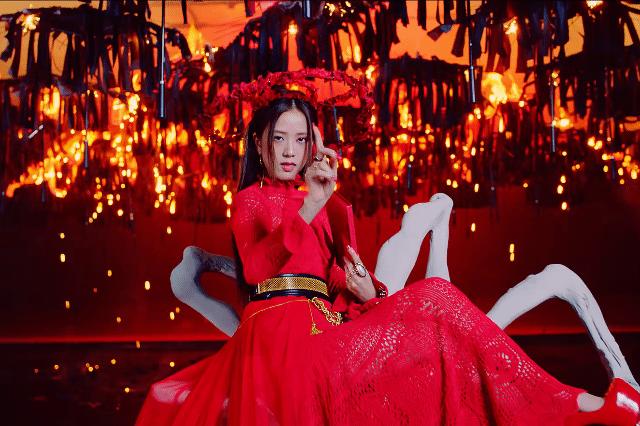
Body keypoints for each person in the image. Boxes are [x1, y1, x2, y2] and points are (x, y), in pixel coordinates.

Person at [136, 92, 640, 425]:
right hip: (279, 338)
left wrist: (365, 288)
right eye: (279, 138)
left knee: (440, 304)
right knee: (436, 311)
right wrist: (310, 206)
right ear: (259, 143)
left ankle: (581, 403)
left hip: (329, 327)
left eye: (301, 139)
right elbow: (258, 269)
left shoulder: (326, 204)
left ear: (313, 145)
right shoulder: (251, 199)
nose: (290, 150)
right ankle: (584, 405)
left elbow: (337, 279)